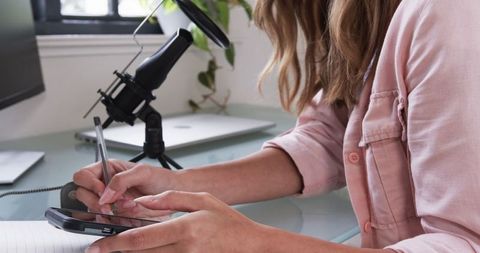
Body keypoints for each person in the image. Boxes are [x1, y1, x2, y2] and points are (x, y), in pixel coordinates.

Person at [75, 0, 480, 252]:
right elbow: (326, 139)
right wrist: (172, 186)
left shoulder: (445, 12)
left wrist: (257, 244)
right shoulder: (367, 25)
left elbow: (466, 244)